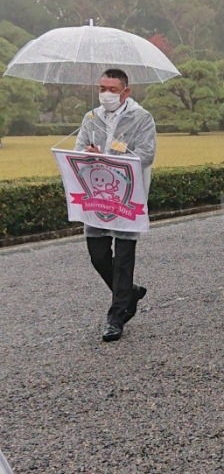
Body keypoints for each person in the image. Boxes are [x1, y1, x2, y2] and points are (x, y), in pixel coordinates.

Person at [75, 68, 155, 342]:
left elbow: (146, 153)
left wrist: (109, 157)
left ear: (126, 92)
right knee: (98, 255)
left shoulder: (141, 118)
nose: (106, 94)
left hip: (127, 198)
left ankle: (116, 316)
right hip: (96, 197)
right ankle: (128, 292)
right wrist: (88, 153)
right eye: (102, 88)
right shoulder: (91, 118)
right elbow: (79, 147)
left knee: (123, 258)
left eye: (112, 89)